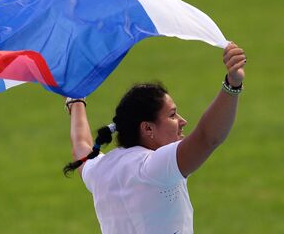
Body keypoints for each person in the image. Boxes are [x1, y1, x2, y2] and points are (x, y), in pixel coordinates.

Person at [64, 42, 246, 234]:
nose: (183, 121)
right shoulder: (153, 167)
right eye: (172, 115)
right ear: (148, 128)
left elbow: (81, 146)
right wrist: (232, 85)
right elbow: (207, 138)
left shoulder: (101, 169)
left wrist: (76, 100)